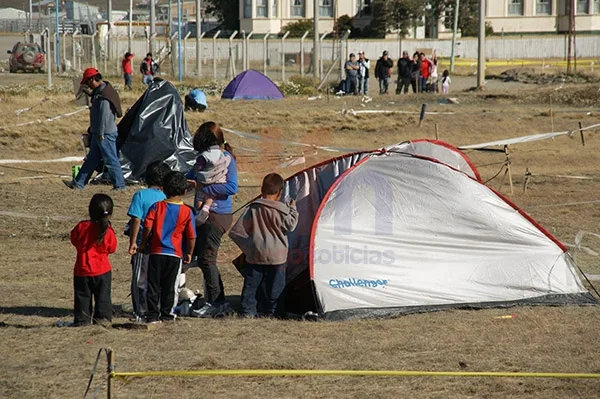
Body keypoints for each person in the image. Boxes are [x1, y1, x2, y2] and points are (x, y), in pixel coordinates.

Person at [229, 173, 298, 318]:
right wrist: (293, 209)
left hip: (255, 254)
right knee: (276, 286)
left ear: (261, 189)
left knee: (251, 285)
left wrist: (248, 247)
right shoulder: (281, 209)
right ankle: (274, 312)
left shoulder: (254, 208)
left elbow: (238, 231)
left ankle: (248, 311)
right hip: (277, 256)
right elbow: (290, 225)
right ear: (280, 192)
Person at [187, 122, 238, 318]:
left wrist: (203, 188)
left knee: (208, 259)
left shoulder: (227, 160)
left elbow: (231, 187)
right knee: (205, 259)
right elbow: (191, 178)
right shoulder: (202, 160)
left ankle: (216, 303)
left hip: (217, 216)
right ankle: (216, 299)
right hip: (203, 215)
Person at [139, 171, 197, 324]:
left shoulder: (156, 207)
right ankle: (167, 314)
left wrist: (143, 244)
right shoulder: (187, 211)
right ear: (185, 191)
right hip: (175, 254)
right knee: (170, 286)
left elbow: (147, 228)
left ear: (163, 189)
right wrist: (189, 252)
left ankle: (152, 315)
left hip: (156, 252)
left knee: (153, 285)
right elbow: (191, 236)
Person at [64, 68, 124, 190]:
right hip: (98, 133)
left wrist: (101, 133)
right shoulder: (99, 92)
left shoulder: (104, 95)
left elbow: (104, 115)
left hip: (105, 134)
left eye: (88, 82)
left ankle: (120, 186)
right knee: (91, 160)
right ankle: (78, 184)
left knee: (111, 160)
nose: (88, 85)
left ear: (93, 79)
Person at [126, 161, 172, 321]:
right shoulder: (168, 197)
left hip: (142, 244)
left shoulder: (140, 195)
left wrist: (133, 242)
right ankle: (157, 309)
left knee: (140, 278)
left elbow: (136, 220)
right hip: (163, 245)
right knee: (158, 279)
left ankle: (140, 310)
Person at [70, 194, 116, 326]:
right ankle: (103, 319)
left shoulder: (81, 227)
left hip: (82, 269)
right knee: (103, 298)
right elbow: (112, 248)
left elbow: (74, 239)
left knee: (82, 297)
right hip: (102, 269)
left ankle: (82, 320)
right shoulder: (108, 231)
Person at [191, 124, 231, 226]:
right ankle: (203, 210)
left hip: (218, 213)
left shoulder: (204, 157)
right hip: (212, 206)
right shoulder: (224, 157)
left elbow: (232, 187)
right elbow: (191, 174)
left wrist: (203, 187)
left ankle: (203, 212)